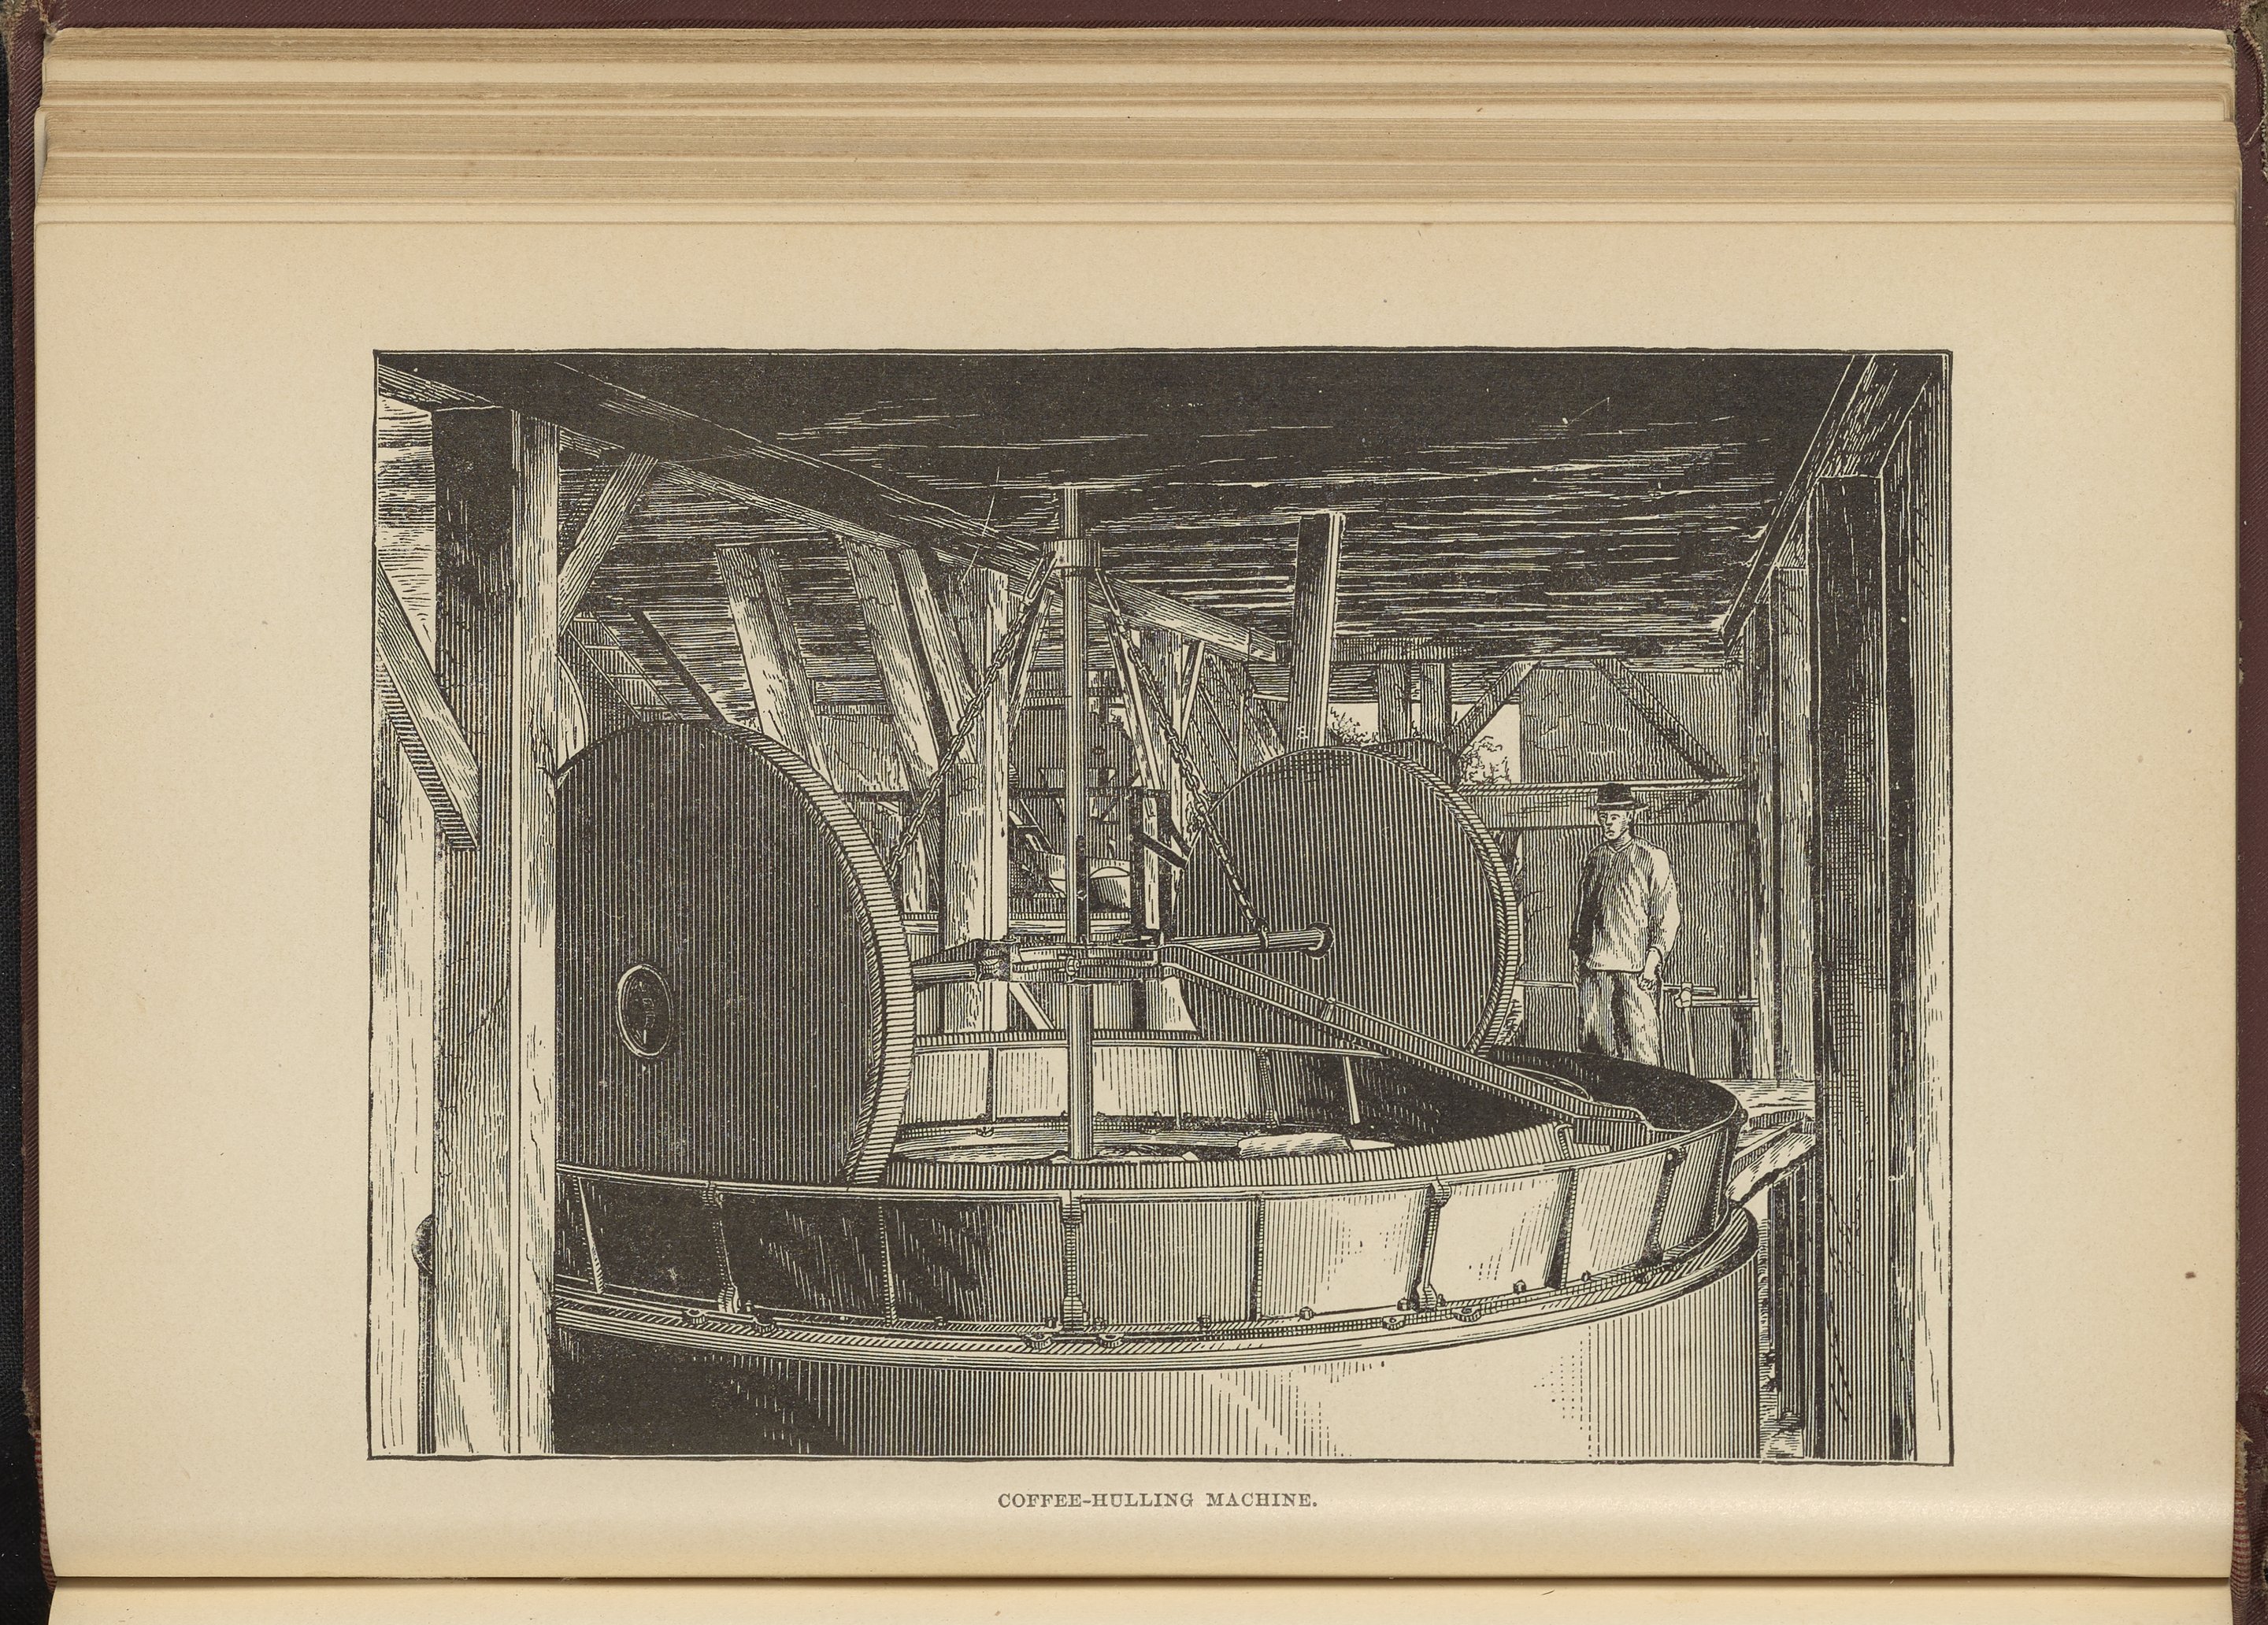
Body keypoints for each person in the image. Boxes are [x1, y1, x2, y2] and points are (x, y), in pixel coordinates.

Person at [1568, 783, 1681, 1066]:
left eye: (1614, 816)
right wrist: (1579, 959)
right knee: (1594, 1049)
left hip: (1636, 971)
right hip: (1595, 971)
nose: (1607, 822)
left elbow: (1667, 916)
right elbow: (1584, 913)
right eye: (1603, 816)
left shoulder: (1652, 857)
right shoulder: (1595, 858)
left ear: (1630, 817)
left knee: (1642, 1050)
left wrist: (1652, 963)